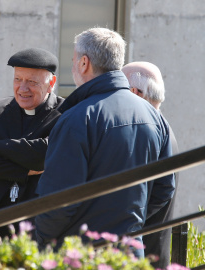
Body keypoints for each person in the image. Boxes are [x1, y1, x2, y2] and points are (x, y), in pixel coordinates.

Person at [34, 28, 175, 258]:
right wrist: (128, 226)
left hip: (80, 255)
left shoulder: (76, 118)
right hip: (128, 253)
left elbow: (58, 201)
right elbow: (165, 187)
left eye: (73, 61)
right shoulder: (154, 117)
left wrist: (43, 242)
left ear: (84, 63)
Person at [0, 48, 64, 253]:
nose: (23, 88)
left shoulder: (65, 113)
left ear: (51, 83)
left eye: (32, 82)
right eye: (18, 79)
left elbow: (46, 156)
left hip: (35, 228)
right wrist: (23, 171)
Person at [122, 61, 179, 268]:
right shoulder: (162, 129)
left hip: (143, 253)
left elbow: (163, 191)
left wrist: (121, 220)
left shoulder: (148, 134)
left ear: (135, 93)